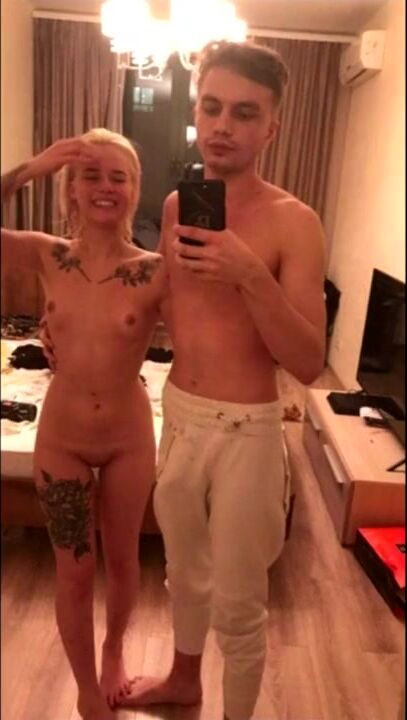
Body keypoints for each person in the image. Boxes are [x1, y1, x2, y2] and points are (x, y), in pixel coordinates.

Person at [118, 41, 327, 720]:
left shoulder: (295, 223)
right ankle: (184, 683)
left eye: (244, 113)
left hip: (247, 432)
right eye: (211, 107)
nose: (222, 125)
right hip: (179, 416)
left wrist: (250, 274)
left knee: (239, 604)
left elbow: (308, 361)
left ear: (271, 128)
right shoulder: (178, 206)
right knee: (183, 577)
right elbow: (167, 304)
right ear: (196, 112)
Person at [1, 129, 168, 720]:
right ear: (71, 189)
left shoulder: (155, 270)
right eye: (90, 175)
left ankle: (114, 652)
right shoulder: (48, 255)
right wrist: (30, 168)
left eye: (118, 177)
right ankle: (84, 688)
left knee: (123, 560)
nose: (105, 187)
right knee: (73, 571)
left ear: (134, 190)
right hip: (63, 439)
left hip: (128, 438)